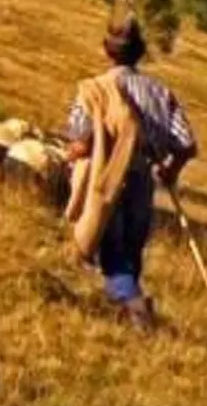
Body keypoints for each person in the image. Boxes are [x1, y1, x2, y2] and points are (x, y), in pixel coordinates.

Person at [63, 18, 197, 329]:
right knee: (131, 251)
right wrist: (170, 171)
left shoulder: (94, 90)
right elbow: (186, 145)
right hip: (141, 181)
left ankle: (137, 311)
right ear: (140, 53)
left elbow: (82, 143)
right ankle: (128, 312)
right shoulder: (160, 93)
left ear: (106, 50)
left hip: (106, 180)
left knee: (113, 254)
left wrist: (72, 154)